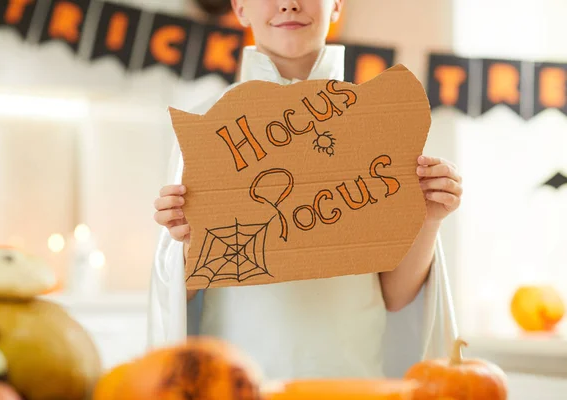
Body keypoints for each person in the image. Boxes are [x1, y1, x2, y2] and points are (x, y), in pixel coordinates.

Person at [149, 0, 463, 381]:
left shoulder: (377, 123)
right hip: (240, 381)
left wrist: (427, 218)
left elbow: (396, 297)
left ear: (337, 5)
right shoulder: (205, 131)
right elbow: (179, 300)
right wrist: (183, 239)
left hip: (351, 380)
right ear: (240, 7)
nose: (288, 4)